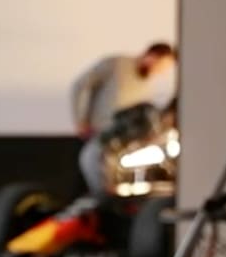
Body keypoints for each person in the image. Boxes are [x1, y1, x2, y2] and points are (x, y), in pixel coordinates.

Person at [70, 41, 178, 194]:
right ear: (151, 56)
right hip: (101, 138)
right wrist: (80, 120)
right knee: (92, 168)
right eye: (161, 66)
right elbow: (81, 85)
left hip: (124, 147)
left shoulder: (147, 83)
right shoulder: (116, 64)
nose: (160, 72)